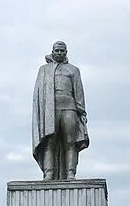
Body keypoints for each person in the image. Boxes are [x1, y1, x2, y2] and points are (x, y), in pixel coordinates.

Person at [32, 41, 89, 180]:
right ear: (52, 51)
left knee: (70, 142)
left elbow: (79, 92)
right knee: (50, 142)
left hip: (69, 107)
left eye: (61, 51)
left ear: (66, 52)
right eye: (56, 50)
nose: (59, 53)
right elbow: (38, 94)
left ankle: (70, 173)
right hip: (50, 110)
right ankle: (49, 173)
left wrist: (82, 112)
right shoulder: (43, 70)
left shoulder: (73, 70)